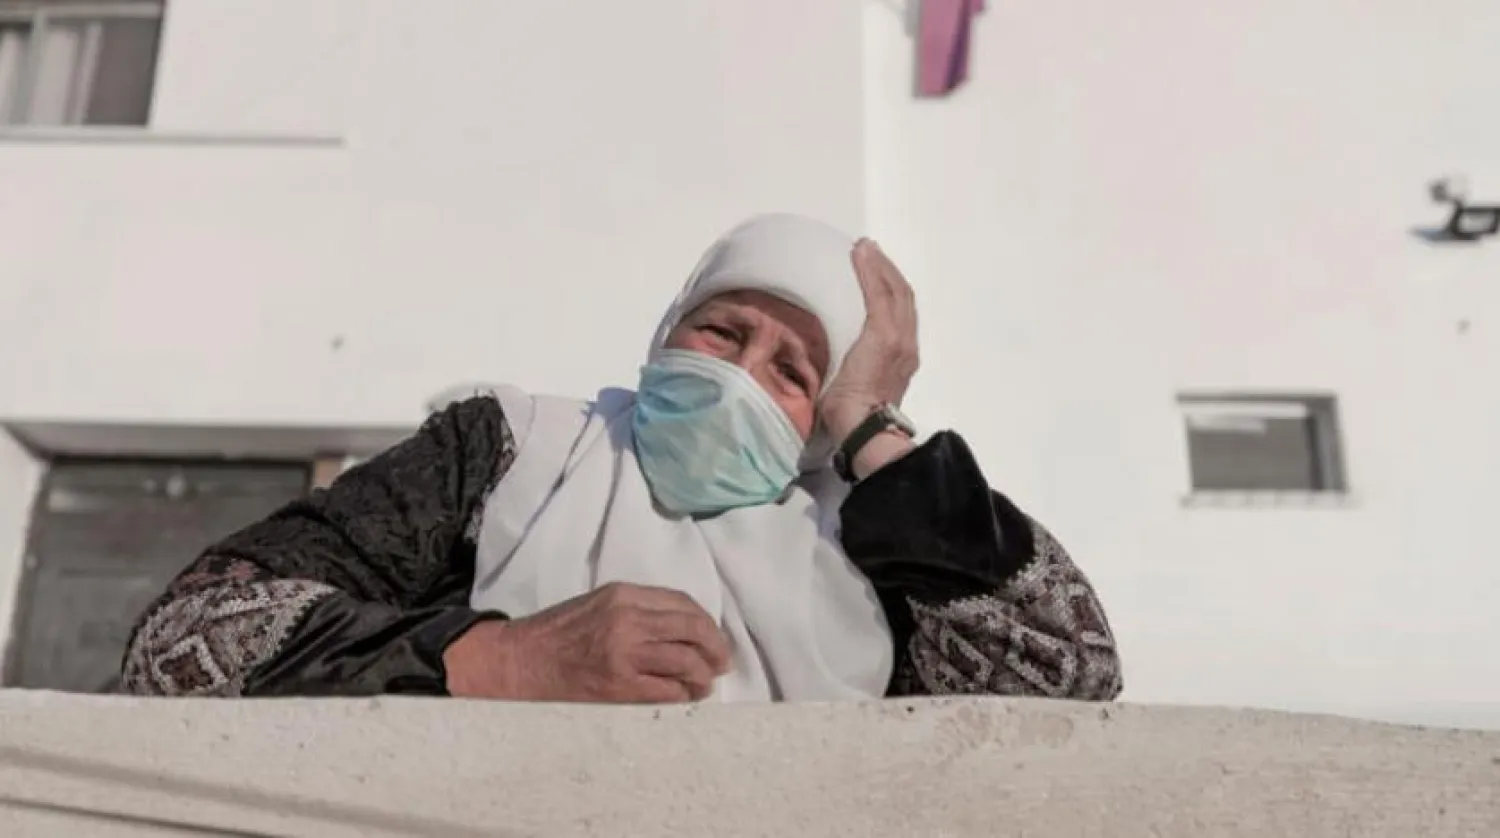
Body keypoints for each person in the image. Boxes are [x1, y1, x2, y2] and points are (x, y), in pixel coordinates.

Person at [121, 214, 1123, 703]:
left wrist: (872, 428)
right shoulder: (511, 449)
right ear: (665, 330)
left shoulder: (870, 535)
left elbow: (1067, 679)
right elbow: (188, 635)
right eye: (722, 330)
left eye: (794, 369)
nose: (739, 375)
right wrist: (505, 659)